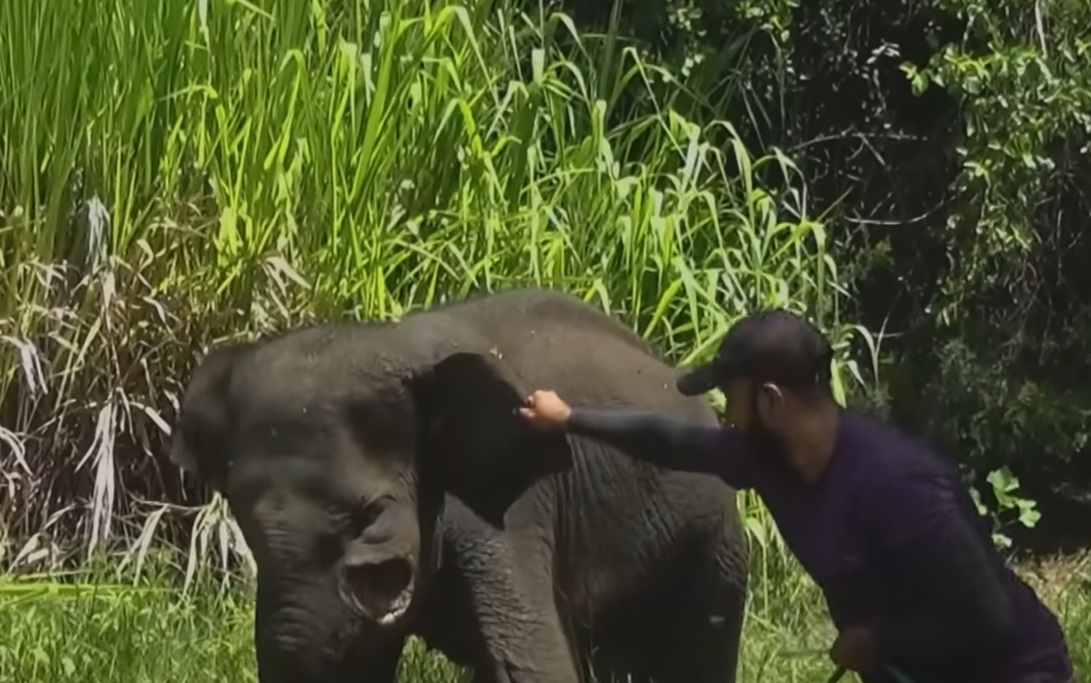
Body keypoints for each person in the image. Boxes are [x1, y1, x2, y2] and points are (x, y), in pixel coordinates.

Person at [517, 309, 1074, 683]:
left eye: (730, 399)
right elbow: (673, 441)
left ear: (772, 402)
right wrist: (568, 419)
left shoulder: (896, 484)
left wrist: (879, 638)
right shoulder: (771, 459)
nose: (725, 417)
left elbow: (987, 615)